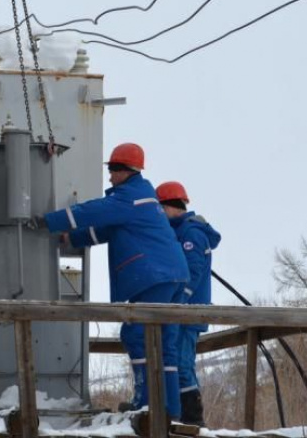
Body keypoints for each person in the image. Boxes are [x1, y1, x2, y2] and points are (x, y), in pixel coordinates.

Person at [39, 143, 189, 420]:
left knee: (136, 335)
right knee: (166, 345)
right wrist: (71, 238)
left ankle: (146, 404)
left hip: (154, 276)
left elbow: (92, 212)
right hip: (174, 275)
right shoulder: (142, 198)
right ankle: (170, 411)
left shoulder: (129, 197)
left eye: (112, 170)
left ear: (124, 170)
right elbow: (106, 231)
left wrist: (48, 221)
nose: (109, 177)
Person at [155, 181, 221, 427]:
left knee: (182, 364)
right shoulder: (182, 231)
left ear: (170, 206)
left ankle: (193, 419)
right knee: (178, 362)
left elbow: (193, 271)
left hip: (187, 311)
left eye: (160, 209)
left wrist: (179, 302)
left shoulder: (191, 233)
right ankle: (183, 416)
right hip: (184, 310)